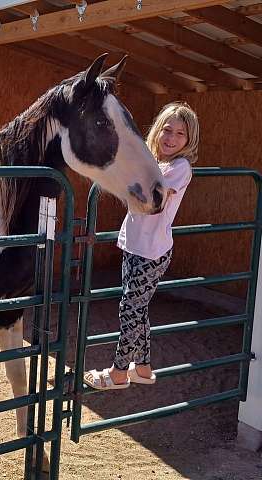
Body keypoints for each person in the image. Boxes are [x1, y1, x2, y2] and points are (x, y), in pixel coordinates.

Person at [84, 102, 200, 390]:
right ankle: (144, 368)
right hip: (135, 245)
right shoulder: (155, 162)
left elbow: (150, 199)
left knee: (129, 309)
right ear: (157, 131)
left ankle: (119, 372)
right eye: (166, 130)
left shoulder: (179, 167)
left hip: (151, 251)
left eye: (180, 134)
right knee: (139, 309)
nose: (171, 138)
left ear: (189, 140)